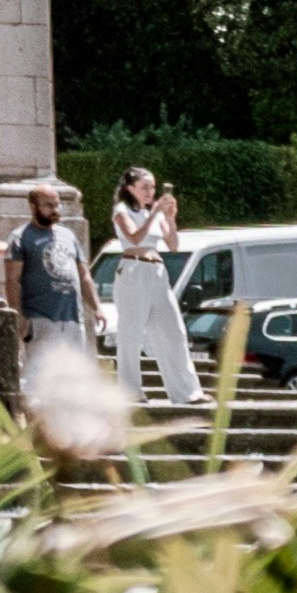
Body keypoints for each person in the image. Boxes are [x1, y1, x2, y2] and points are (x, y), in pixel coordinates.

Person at [103, 162, 203, 409]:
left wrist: (169, 217)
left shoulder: (151, 214)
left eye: (152, 187)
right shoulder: (122, 210)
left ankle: (186, 391)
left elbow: (173, 245)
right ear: (130, 188)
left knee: (174, 330)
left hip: (156, 271)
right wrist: (157, 212)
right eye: (144, 187)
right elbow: (134, 237)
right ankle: (129, 391)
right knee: (131, 333)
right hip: (133, 269)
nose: (149, 192)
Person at [0, 177, 101, 358]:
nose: (54, 210)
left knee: (74, 379)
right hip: (40, 319)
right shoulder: (20, 237)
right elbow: (13, 280)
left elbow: (84, 277)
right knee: (41, 378)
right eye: (48, 205)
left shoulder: (68, 235)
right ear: (33, 206)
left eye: (57, 205)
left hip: (73, 319)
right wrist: (18, 315)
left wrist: (97, 307)